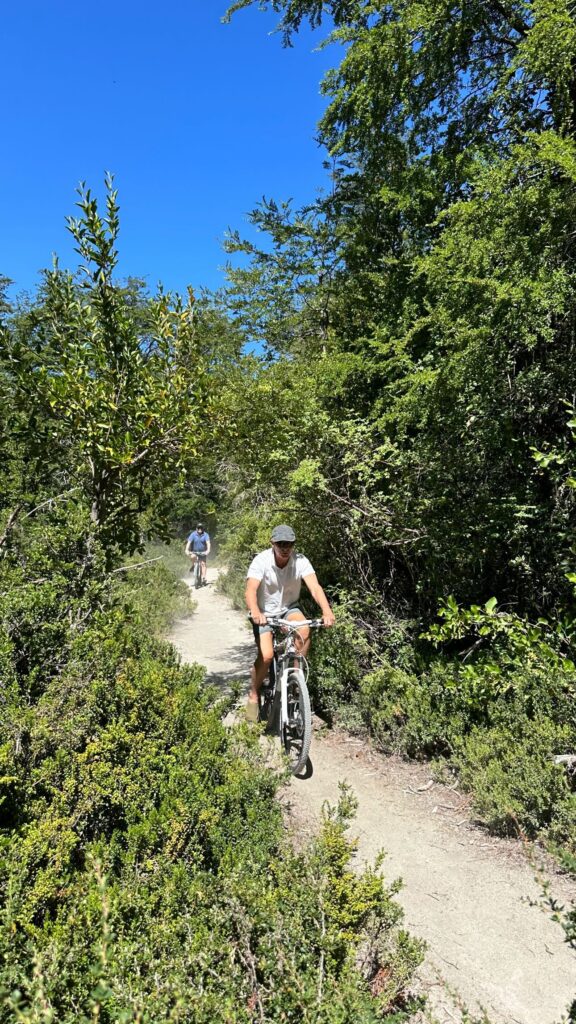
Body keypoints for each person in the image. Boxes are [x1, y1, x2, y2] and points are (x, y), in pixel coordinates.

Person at [244, 524, 335, 722]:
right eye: (281, 544)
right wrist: (256, 612)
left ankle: (296, 679)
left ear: (294, 544)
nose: (285, 548)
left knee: (304, 629)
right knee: (267, 656)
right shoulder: (261, 561)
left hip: (289, 609)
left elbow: (315, 587)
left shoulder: (301, 561)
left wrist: (327, 611)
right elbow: (250, 590)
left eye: (289, 544)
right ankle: (253, 693)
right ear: (272, 543)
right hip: (265, 613)